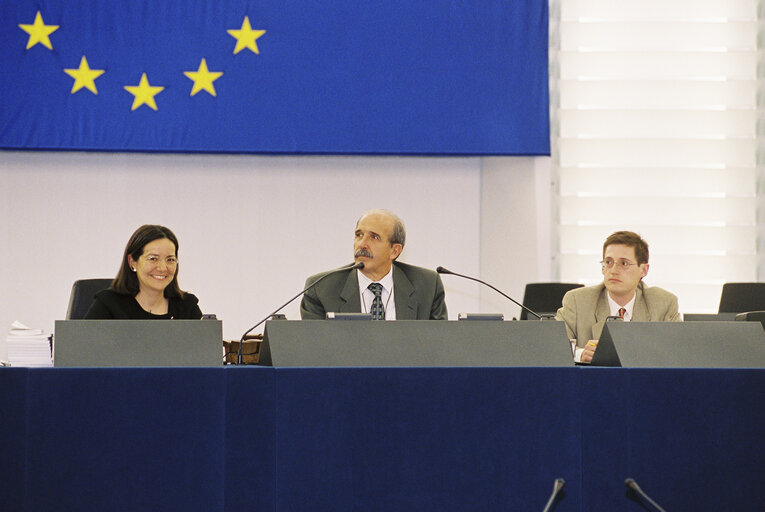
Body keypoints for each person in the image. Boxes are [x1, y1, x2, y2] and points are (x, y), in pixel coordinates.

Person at [555, 231, 680, 363]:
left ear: (643, 270)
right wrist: (580, 354)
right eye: (608, 262)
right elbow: (553, 346)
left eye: (624, 263)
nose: (614, 270)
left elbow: (676, 351)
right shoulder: (577, 301)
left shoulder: (663, 303)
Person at [300, 209, 447, 320]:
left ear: (394, 251)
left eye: (374, 237)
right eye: (359, 235)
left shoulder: (427, 286)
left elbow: (438, 346)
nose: (362, 244)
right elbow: (315, 351)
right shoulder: (321, 288)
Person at [84, 225, 203, 319]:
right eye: (153, 259)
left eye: (170, 259)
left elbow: (206, 348)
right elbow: (83, 347)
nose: (162, 268)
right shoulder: (109, 304)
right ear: (132, 261)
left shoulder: (187, 306)